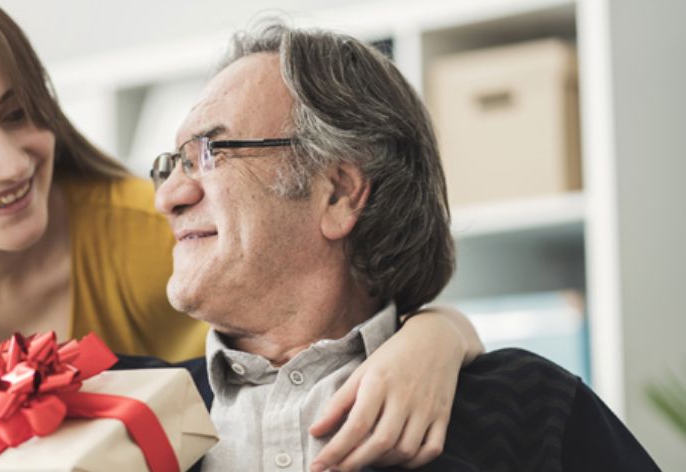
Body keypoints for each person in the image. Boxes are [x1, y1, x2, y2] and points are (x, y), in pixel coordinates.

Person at [0, 0, 483, 465]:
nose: (9, 163)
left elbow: (311, 322)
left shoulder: (152, 225)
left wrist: (435, 333)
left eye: (17, 114)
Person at [150, 21, 659, 472]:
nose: (168, 196)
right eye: (170, 164)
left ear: (339, 192)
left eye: (209, 152)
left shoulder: (530, 407)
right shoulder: (121, 410)